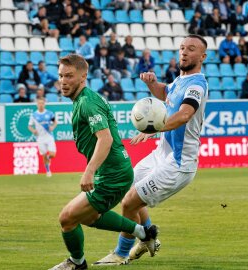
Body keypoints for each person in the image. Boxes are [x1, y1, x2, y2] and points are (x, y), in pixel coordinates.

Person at [94, 34, 209, 265]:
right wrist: (151, 84)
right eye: (182, 48)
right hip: (160, 155)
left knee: (129, 203)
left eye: (191, 49)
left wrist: (153, 128)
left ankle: (121, 253)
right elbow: (165, 94)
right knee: (127, 187)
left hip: (178, 163)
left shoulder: (197, 84)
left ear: (202, 56)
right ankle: (149, 236)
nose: (184, 52)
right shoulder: (179, 81)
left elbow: (185, 114)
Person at [49, 54, 158, 270]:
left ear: (83, 76)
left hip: (112, 174)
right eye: (61, 75)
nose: (63, 81)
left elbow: (105, 139)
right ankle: (144, 233)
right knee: (89, 217)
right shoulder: (83, 99)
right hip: (113, 171)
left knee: (67, 219)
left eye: (69, 76)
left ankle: (77, 263)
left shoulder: (88, 102)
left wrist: (89, 171)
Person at [28, 97, 57, 177]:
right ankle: (48, 171)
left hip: (49, 136)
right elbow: (29, 126)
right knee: (43, 155)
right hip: (40, 138)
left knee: (53, 154)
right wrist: (33, 130)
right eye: (39, 103)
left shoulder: (49, 113)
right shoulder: (34, 115)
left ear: (44, 104)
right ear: (37, 104)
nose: (41, 105)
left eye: (42, 103)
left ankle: (49, 157)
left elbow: (55, 122)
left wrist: (52, 127)